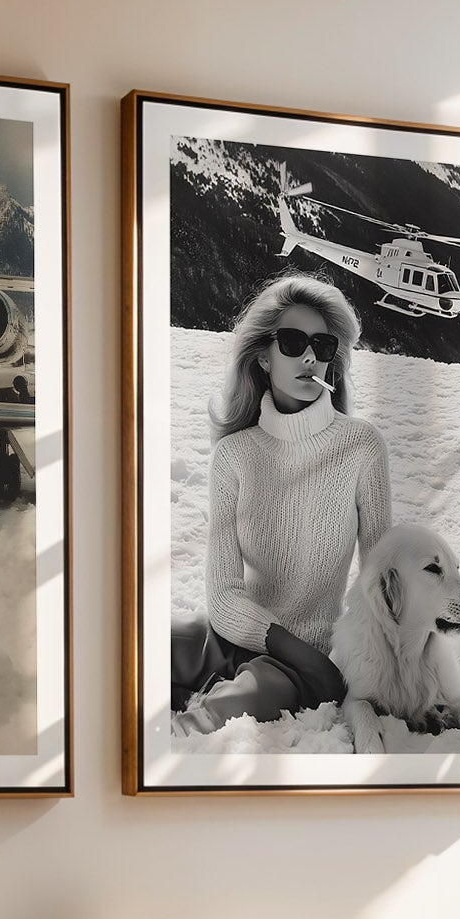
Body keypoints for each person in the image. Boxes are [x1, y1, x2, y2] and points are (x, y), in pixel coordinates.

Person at [172, 275, 393, 735]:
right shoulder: (233, 455)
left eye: (322, 346)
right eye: (293, 342)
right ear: (262, 356)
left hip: (301, 665)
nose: (310, 357)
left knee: (228, 710)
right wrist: (282, 640)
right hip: (234, 637)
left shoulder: (362, 446)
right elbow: (223, 594)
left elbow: (383, 581)